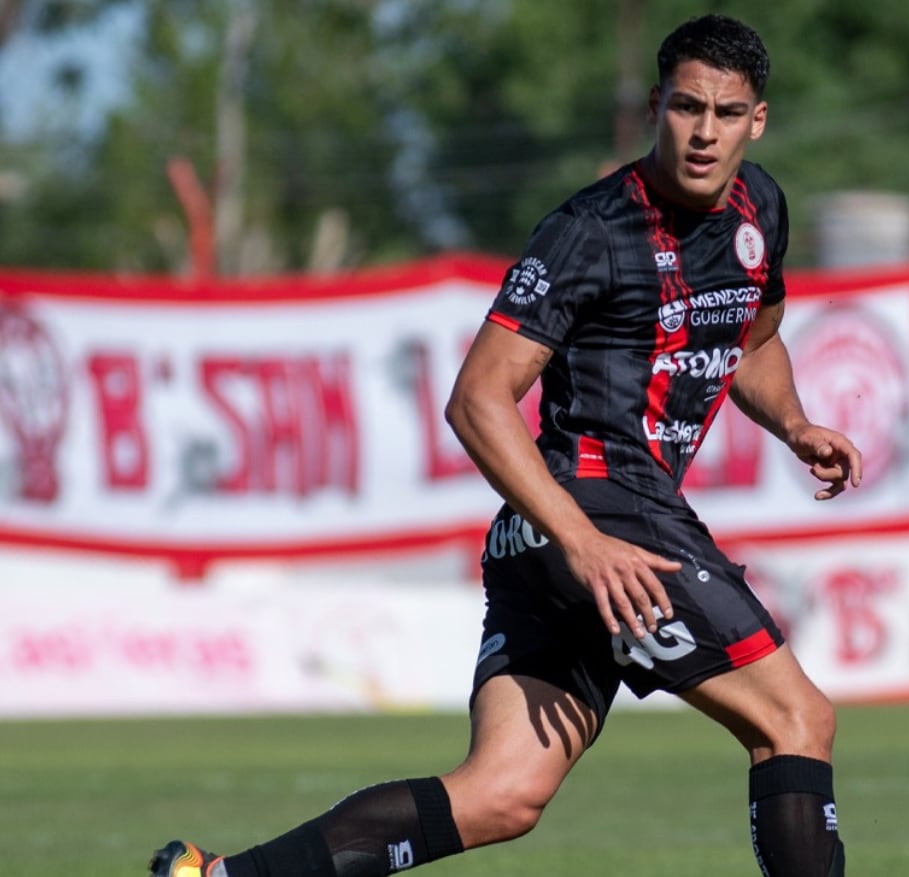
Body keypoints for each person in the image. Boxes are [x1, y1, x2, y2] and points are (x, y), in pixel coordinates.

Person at [149, 14, 860, 877]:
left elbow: (751, 339)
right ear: (655, 106)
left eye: (725, 111)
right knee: (796, 719)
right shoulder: (591, 230)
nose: (703, 131)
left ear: (758, 119)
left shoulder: (761, 211)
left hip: (565, 542)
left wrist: (795, 424)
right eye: (686, 107)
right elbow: (478, 397)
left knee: (500, 794)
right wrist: (584, 540)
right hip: (598, 516)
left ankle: (219, 876)